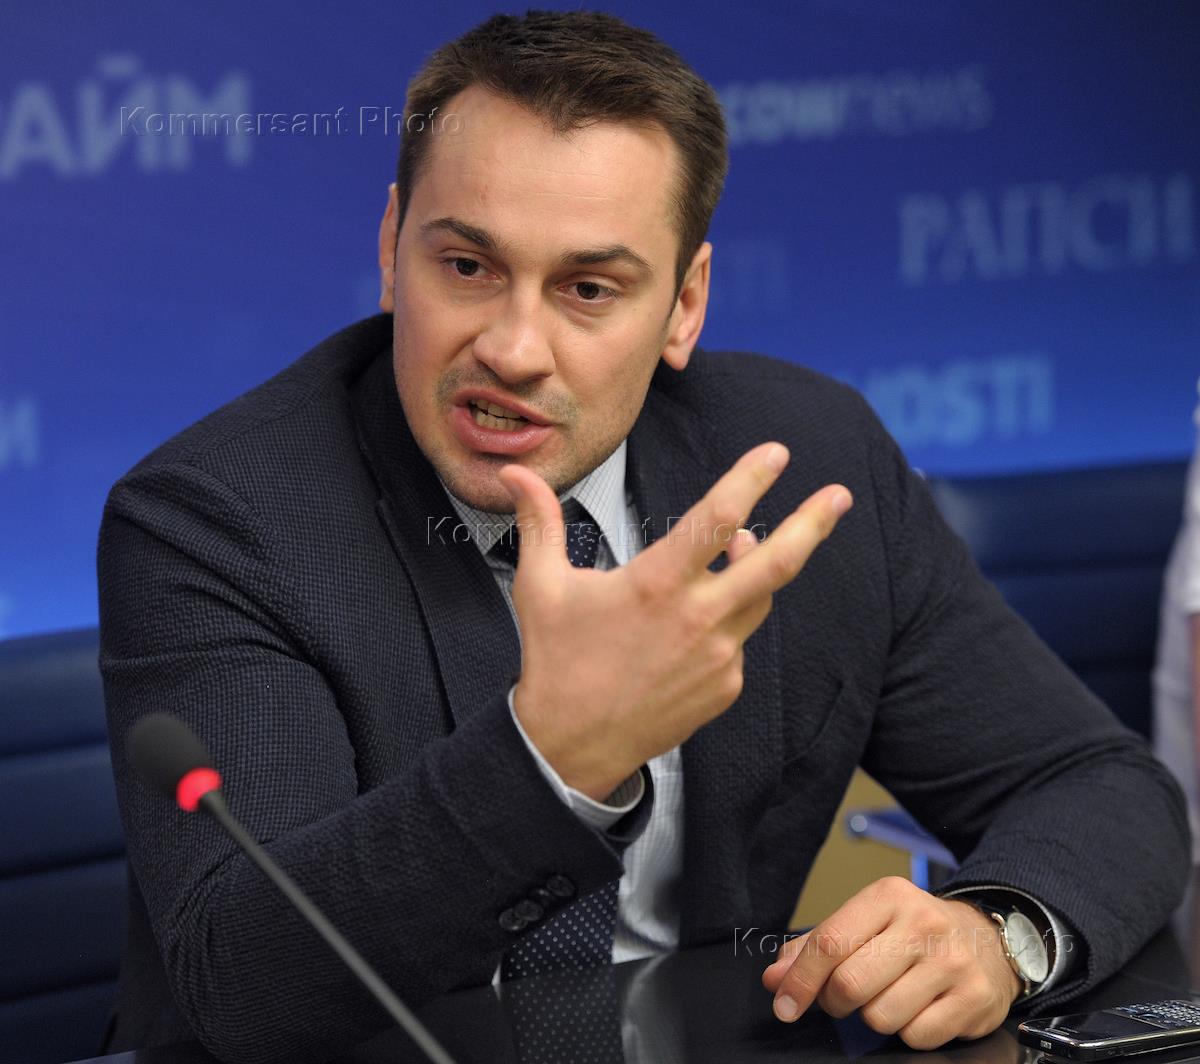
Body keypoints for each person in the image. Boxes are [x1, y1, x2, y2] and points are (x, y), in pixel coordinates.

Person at [97, 11, 1189, 1064]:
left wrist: (999, 933)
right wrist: (556, 755)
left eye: (588, 288)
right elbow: (246, 979)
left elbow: (1102, 788)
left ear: (684, 306)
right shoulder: (219, 519)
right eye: (467, 266)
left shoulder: (807, 461)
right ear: (391, 249)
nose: (513, 348)